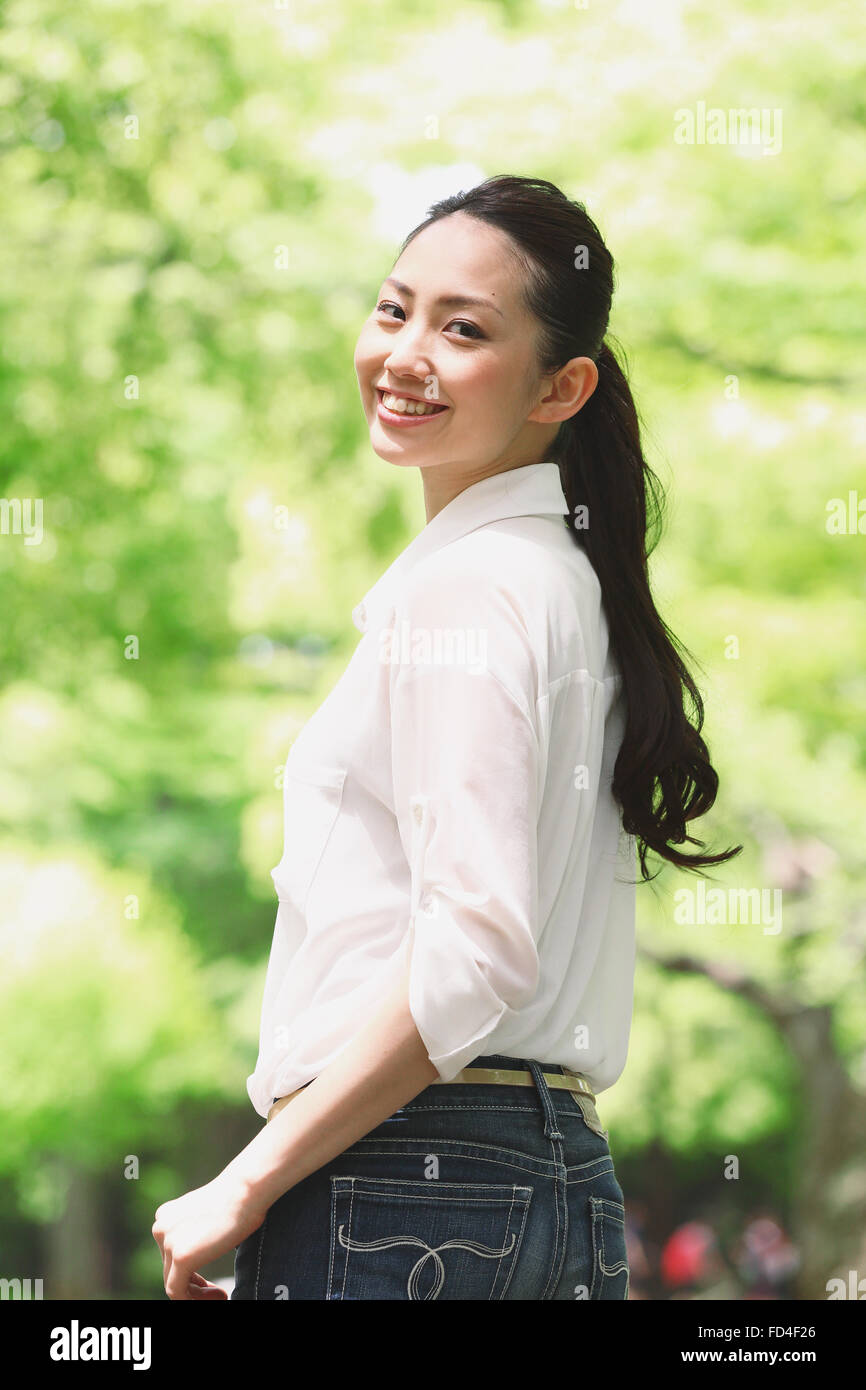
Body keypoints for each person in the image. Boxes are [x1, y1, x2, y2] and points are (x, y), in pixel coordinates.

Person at [152, 174, 741, 1300]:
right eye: (393, 309)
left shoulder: (467, 592)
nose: (406, 352)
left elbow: (473, 949)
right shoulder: (563, 586)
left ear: (559, 386)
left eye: (462, 329)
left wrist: (251, 1183)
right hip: (544, 1179)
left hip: (411, 1183)